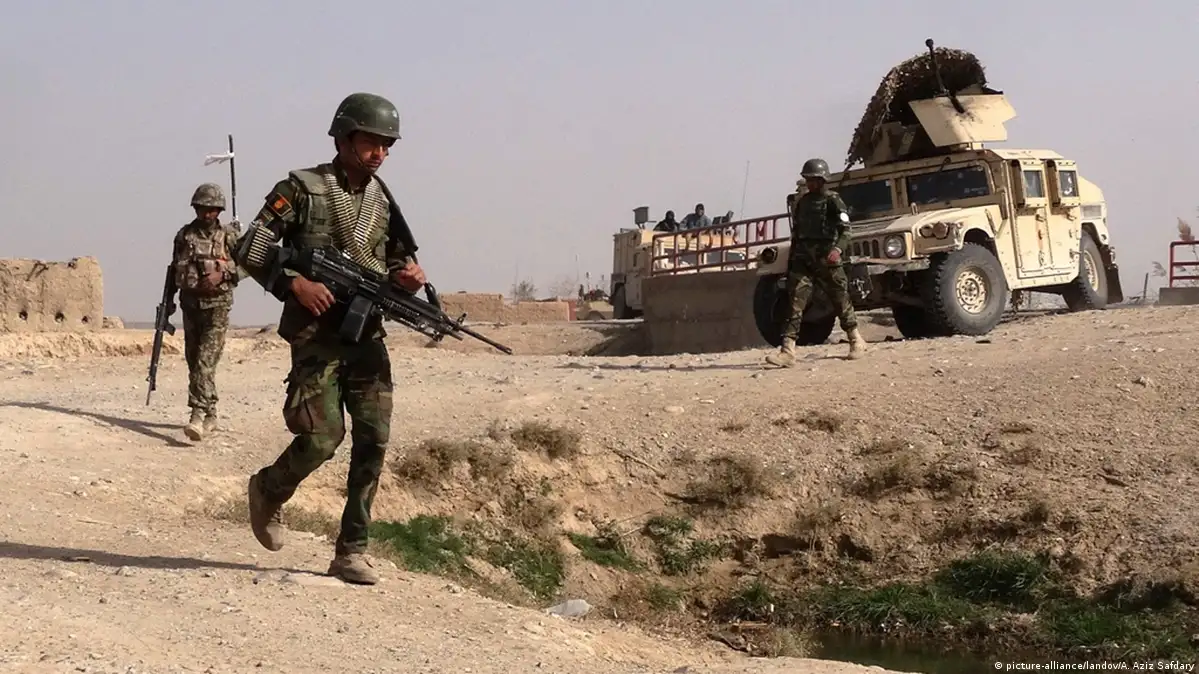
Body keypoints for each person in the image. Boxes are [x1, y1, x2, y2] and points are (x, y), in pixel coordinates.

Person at [232, 92, 426, 585]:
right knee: (322, 438)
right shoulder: (301, 189)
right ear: (343, 139)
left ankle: (351, 550)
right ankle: (270, 489)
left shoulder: (383, 201)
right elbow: (250, 247)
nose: (379, 153)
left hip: (365, 331)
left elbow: (396, 258)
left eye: (387, 145)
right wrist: (292, 283)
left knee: (374, 438)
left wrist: (408, 277)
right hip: (316, 333)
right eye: (371, 142)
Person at [765, 158, 867, 367]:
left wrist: (837, 250)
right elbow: (797, 234)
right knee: (795, 301)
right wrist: (792, 262)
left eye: (814, 179)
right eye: (808, 179)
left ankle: (855, 340)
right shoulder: (802, 203)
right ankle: (788, 350)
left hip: (827, 259)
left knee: (840, 298)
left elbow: (846, 230)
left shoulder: (833, 201)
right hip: (803, 259)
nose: (810, 183)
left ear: (822, 180)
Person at [170, 182, 243, 440]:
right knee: (194, 363)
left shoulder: (229, 236)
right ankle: (211, 413)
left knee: (204, 362)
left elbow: (248, 266)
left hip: (217, 308)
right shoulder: (184, 236)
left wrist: (224, 273)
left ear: (219, 210)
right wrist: (168, 303)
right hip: (190, 307)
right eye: (202, 208)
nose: (207, 213)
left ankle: (197, 415)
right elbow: (174, 269)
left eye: (212, 209)